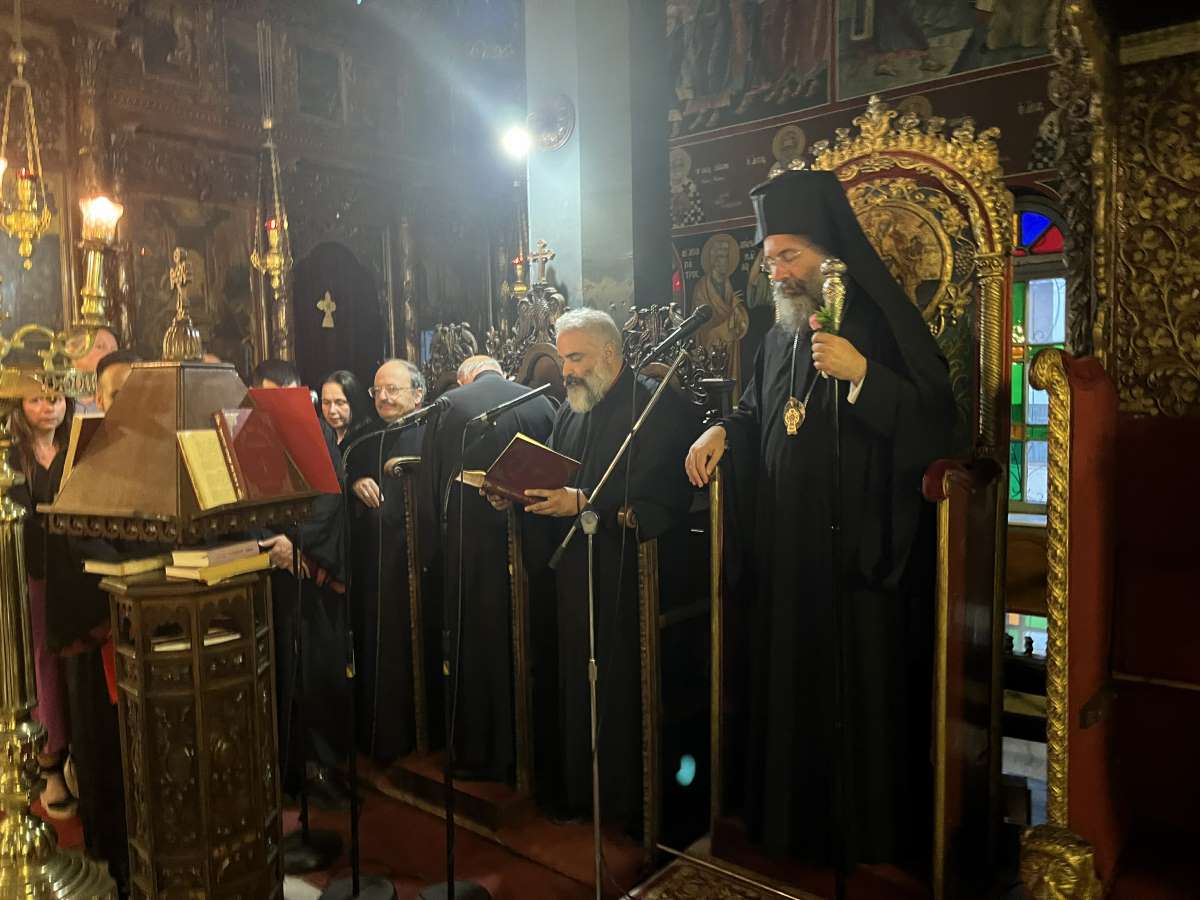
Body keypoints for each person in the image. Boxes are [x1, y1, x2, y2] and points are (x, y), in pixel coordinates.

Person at [684, 169, 958, 872]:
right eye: (769, 258)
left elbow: (939, 423)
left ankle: (859, 834)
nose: (775, 271)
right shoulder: (777, 335)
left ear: (829, 253)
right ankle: (788, 821)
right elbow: (759, 412)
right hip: (787, 546)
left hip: (859, 552)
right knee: (788, 683)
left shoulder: (882, 322)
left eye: (789, 256)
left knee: (855, 686)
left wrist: (864, 375)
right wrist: (723, 430)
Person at [491, 309, 698, 829]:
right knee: (574, 682)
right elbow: (555, 473)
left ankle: (625, 804)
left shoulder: (655, 405)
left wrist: (584, 501)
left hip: (623, 573)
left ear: (609, 353)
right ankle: (580, 791)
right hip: (572, 573)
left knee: (617, 685)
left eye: (576, 357)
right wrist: (515, 491)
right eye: (563, 359)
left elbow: (661, 488)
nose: (567, 370)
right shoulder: (571, 409)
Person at [418, 355, 555, 782]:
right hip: (535, 540)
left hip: (471, 541)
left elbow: (431, 485)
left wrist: (431, 553)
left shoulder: (450, 405)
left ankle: (480, 751)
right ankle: (530, 752)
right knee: (528, 640)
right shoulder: (541, 402)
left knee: (476, 642)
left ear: (464, 377)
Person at [249, 359, 353, 812]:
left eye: (287, 395)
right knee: (273, 675)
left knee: (315, 672)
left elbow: (330, 498)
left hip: (307, 571)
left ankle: (320, 769)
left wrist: (296, 547)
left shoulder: (318, 434)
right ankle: (281, 771)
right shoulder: (243, 433)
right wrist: (264, 542)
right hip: (262, 570)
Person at [346, 358, 429, 762]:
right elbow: (345, 474)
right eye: (377, 390)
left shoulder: (432, 433)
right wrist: (355, 483)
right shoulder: (365, 437)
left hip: (419, 565)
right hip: (374, 564)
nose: (383, 397)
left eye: (392, 389)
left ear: (418, 394)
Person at [8, 391, 75, 818]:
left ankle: (80, 756)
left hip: (79, 566)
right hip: (36, 573)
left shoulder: (78, 444)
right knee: (44, 662)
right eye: (36, 400)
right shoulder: (12, 457)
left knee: (81, 661)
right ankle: (50, 764)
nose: (49, 407)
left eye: (55, 398)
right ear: (19, 406)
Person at [64, 326, 117, 414]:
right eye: (100, 346)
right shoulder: (56, 396)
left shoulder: (118, 398)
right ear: (73, 351)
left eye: (114, 350)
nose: (110, 354)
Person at [319, 369, 371, 448]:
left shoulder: (368, 437)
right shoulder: (319, 434)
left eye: (340, 403)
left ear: (354, 402)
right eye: (326, 402)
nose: (332, 410)